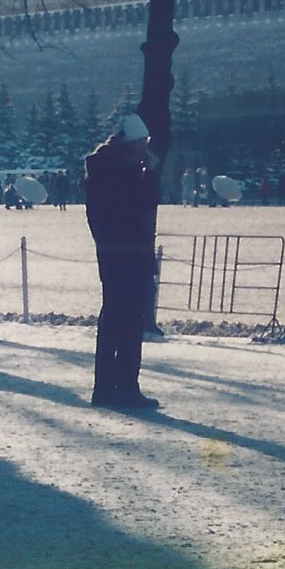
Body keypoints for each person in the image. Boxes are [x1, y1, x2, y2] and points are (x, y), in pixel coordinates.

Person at [84, 114, 162, 410]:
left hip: (116, 254)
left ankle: (108, 386)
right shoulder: (123, 174)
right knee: (126, 321)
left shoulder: (107, 170)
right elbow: (141, 206)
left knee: (117, 319)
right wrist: (149, 176)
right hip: (127, 254)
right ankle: (124, 385)